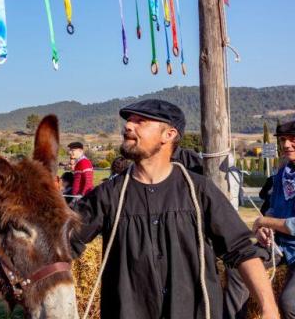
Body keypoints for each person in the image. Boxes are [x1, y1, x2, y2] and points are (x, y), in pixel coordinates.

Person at [71, 99, 278, 319]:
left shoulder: (199, 191)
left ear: (168, 135)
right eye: (129, 121)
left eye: (140, 121)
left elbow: (241, 250)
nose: (128, 126)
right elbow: (61, 242)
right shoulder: (109, 195)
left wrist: (269, 308)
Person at [225, 120, 295, 318]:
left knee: (290, 302)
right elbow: (274, 208)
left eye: (292, 140)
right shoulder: (283, 174)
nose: (286, 145)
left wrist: (264, 222)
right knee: (238, 267)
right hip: (280, 246)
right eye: (283, 140)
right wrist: (266, 226)